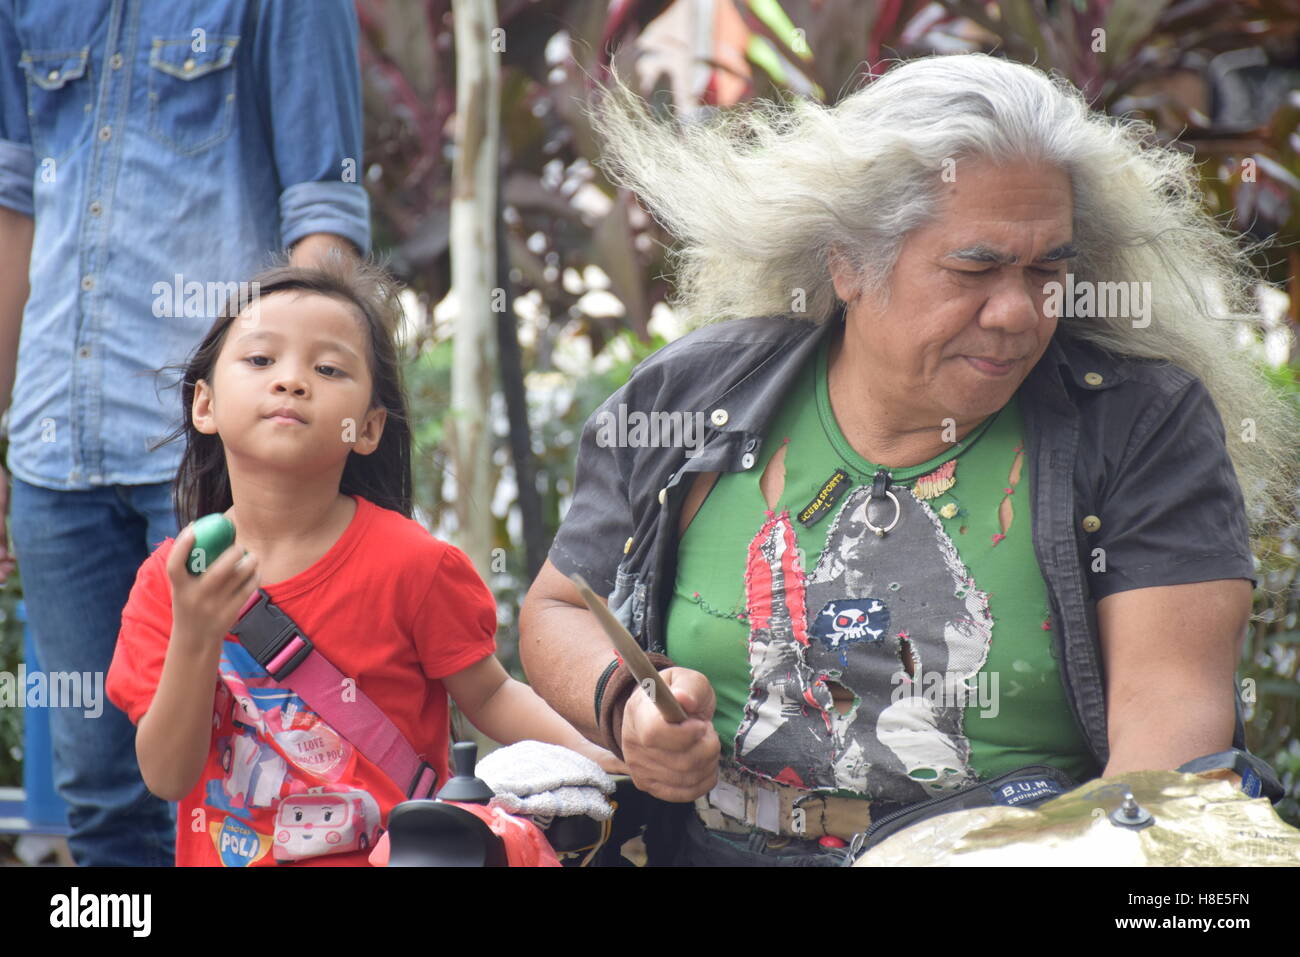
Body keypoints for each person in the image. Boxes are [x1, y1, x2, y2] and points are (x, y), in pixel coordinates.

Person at [517, 53, 1300, 865]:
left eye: (1048, 270)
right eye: (977, 266)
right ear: (848, 262)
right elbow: (560, 608)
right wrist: (627, 706)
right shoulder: (691, 397)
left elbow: (1164, 752)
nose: (1018, 312)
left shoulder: (1139, 425)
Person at [0, 0, 372, 865]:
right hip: (56, 456)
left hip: (216, 468)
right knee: (100, 804)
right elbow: (12, 210)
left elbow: (323, 222)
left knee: (260, 781)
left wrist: (298, 454)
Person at [106, 260, 621, 867]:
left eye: (328, 369)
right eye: (261, 360)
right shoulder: (168, 580)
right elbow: (167, 776)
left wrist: (609, 765)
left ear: (369, 427)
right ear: (205, 405)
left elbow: (491, 695)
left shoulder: (415, 565)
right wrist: (195, 634)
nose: (292, 381)